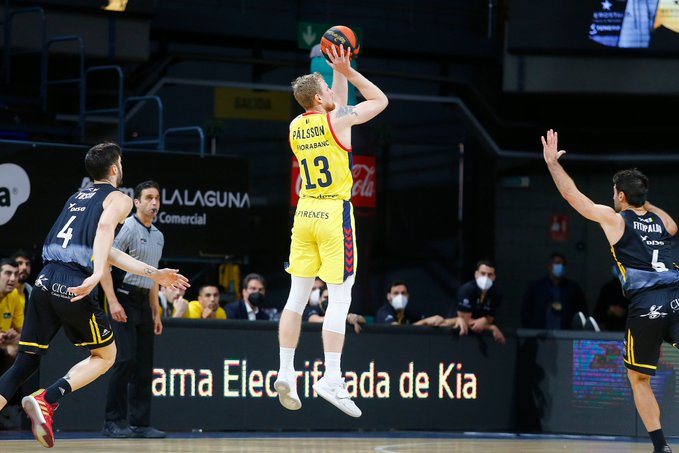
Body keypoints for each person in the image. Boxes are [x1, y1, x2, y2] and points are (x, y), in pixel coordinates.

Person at [0, 142, 189, 448]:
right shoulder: (120, 198)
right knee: (106, 355)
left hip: (46, 278)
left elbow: (110, 250)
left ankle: (44, 400)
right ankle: (49, 398)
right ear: (115, 167)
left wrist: (155, 274)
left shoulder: (76, 196)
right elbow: (103, 231)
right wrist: (97, 274)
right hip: (73, 282)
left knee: (25, 362)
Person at [542, 128, 675, 453]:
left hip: (647, 306)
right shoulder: (661, 223)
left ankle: (661, 448)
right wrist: (643, 199)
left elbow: (574, 198)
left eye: (616, 192)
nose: (613, 196)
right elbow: (672, 224)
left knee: (639, 379)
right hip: (676, 295)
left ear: (621, 196)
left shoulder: (617, 220)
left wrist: (552, 165)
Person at [275, 44, 388, 418]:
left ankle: (286, 371)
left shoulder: (296, 126)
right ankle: (331, 378)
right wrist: (351, 70)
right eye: (327, 88)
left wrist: (338, 69)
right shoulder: (338, 119)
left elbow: (334, 100)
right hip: (333, 213)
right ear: (320, 97)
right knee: (340, 298)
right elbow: (380, 100)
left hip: (303, 212)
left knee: (296, 298)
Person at [100, 180, 166, 439]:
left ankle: (140, 423)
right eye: (149, 198)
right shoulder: (128, 226)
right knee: (124, 359)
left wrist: (156, 310)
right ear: (136, 202)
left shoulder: (159, 236)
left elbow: (153, 276)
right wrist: (113, 301)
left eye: (157, 198)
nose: (154, 203)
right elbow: (105, 261)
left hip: (143, 302)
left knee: (143, 365)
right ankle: (112, 420)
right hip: (123, 298)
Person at [521, 252, 588, 330]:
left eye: (563, 264)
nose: (560, 266)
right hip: (540, 334)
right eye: (557, 263)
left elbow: (582, 313)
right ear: (549, 266)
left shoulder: (573, 289)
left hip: (566, 334)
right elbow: (526, 311)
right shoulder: (536, 287)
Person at [446, 260, 505, 344]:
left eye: (489, 275)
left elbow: (490, 317)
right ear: (476, 274)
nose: (486, 278)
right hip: (456, 331)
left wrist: (484, 320)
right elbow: (465, 320)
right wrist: (492, 327)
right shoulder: (467, 289)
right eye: (483, 273)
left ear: (494, 277)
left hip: (480, 335)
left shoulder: (496, 293)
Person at [375, 281, 445, 327]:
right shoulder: (383, 312)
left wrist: (436, 320)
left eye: (403, 293)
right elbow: (397, 330)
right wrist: (425, 322)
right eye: (396, 293)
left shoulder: (409, 313)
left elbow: (431, 320)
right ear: (389, 296)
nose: (400, 297)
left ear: (408, 296)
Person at [593, 266, 631, 331]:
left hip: (631, 331)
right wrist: (609, 311)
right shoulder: (607, 289)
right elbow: (598, 314)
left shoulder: (634, 289)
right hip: (610, 331)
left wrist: (625, 312)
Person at [0, 259, 23, 364]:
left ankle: (6, 380)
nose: (13, 279)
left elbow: (21, 331)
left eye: (16, 274)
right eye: (8, 273)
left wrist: (14, 335)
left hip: (2, 346)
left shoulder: (14, 294)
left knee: (15, 347)